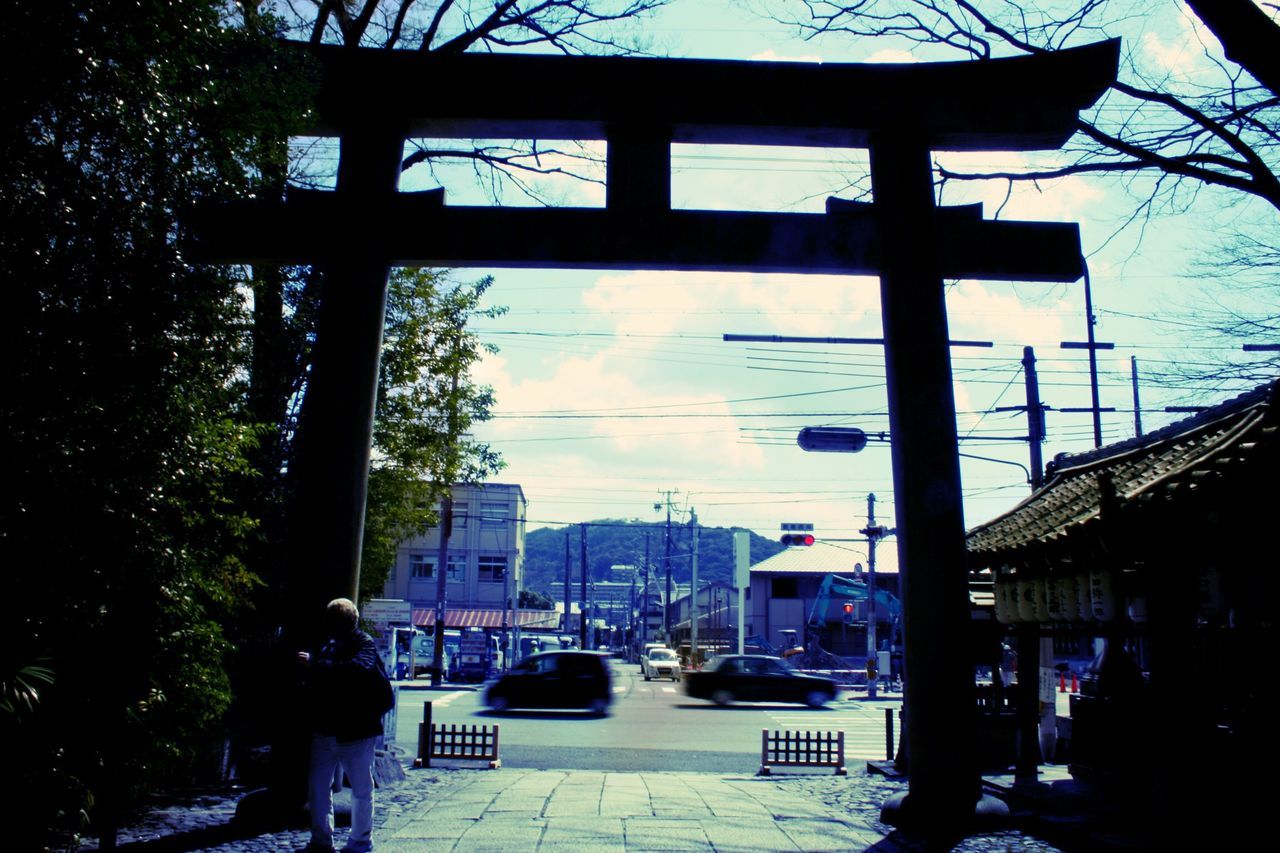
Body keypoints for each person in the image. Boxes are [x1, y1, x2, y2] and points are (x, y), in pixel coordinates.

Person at [297, 598, 384, 852]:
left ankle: (358, 840)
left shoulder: (362, 644)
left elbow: (357, 669)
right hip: (330, 727)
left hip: (356, 730)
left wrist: (318, 665)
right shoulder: (331, 644)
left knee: (358, 787)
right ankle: (326, 840)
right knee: (320, 787)